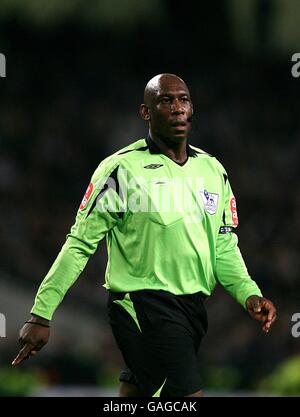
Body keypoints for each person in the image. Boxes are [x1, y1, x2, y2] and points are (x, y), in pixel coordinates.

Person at [12, 73, 276, 397]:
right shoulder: (121, 170)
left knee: (135, 396)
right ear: (146, 113)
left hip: (191, 309)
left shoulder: (213, 171)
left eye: (184, 100)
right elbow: (79, 243)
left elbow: (223, 243)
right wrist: (42, 312)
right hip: (141, 304)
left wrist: (248, 292)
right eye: (166, 100)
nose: (177, 108)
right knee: (186, 399)